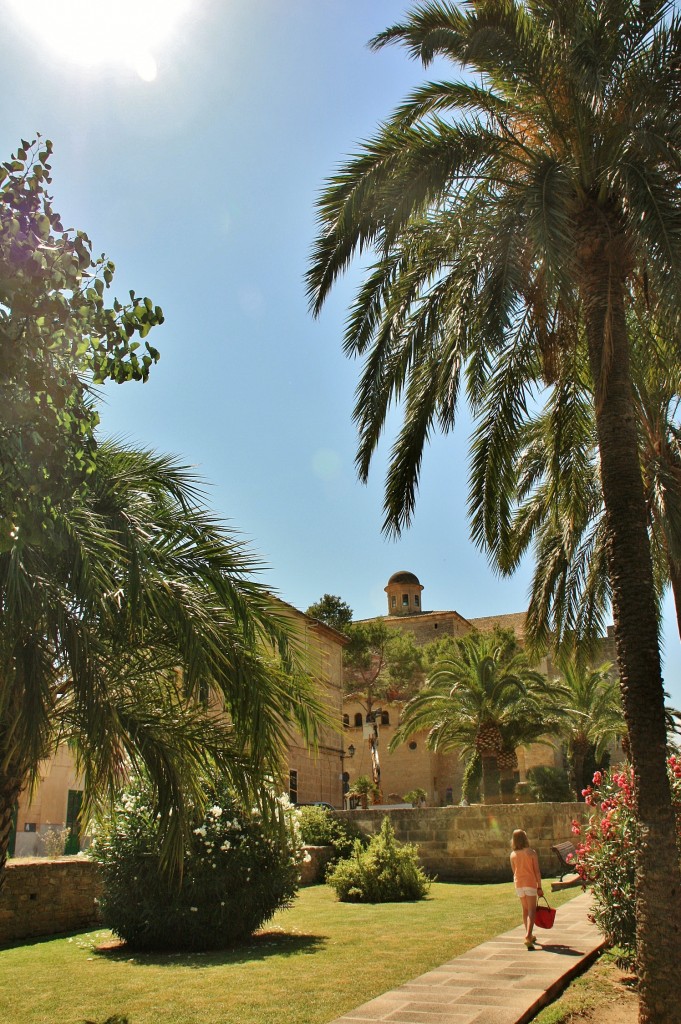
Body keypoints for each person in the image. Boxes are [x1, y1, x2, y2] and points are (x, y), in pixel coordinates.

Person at [510, 828, 543, 949]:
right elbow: (537, 872)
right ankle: (528, 935)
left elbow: (514, 872)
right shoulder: (531, 853)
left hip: (518, 884)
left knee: (525, 909)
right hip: (530, 883)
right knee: (532, 910)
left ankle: (529, 933)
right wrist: (539, 886)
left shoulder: (513, 855)